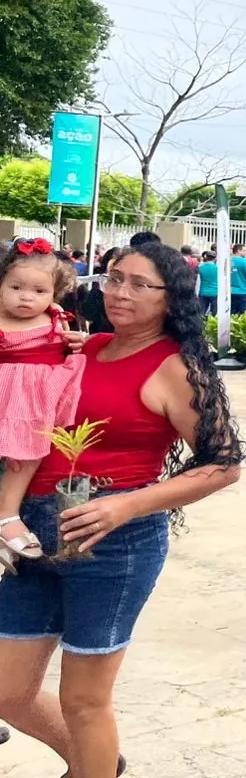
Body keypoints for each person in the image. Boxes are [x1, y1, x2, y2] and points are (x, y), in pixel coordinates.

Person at [0, 243, 244, 778]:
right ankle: (98, 765)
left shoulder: (175, 367)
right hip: (33, 531)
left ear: (171, 299)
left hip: (113, 542)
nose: (119, 293)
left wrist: (127, 505)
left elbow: (224, 464)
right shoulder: (87, 346)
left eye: (139, 285)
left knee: (84, 701)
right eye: (114, 279)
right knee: (8, 690)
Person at [0, 240, 85, 569]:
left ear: (54, 293)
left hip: (30, 404)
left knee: (28, 454)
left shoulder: (57, 322)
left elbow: (73, 352)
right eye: (16, 287)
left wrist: (79, 345)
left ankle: (7, 514)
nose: (26, 296)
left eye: (39, 291)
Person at [227, 244, 246, 316]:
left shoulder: (228, 261)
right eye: (244, 250)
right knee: (244, 316)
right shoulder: (244, 261)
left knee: (232, 315)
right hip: (243, 292)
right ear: (238, 251)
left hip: (230, 292)